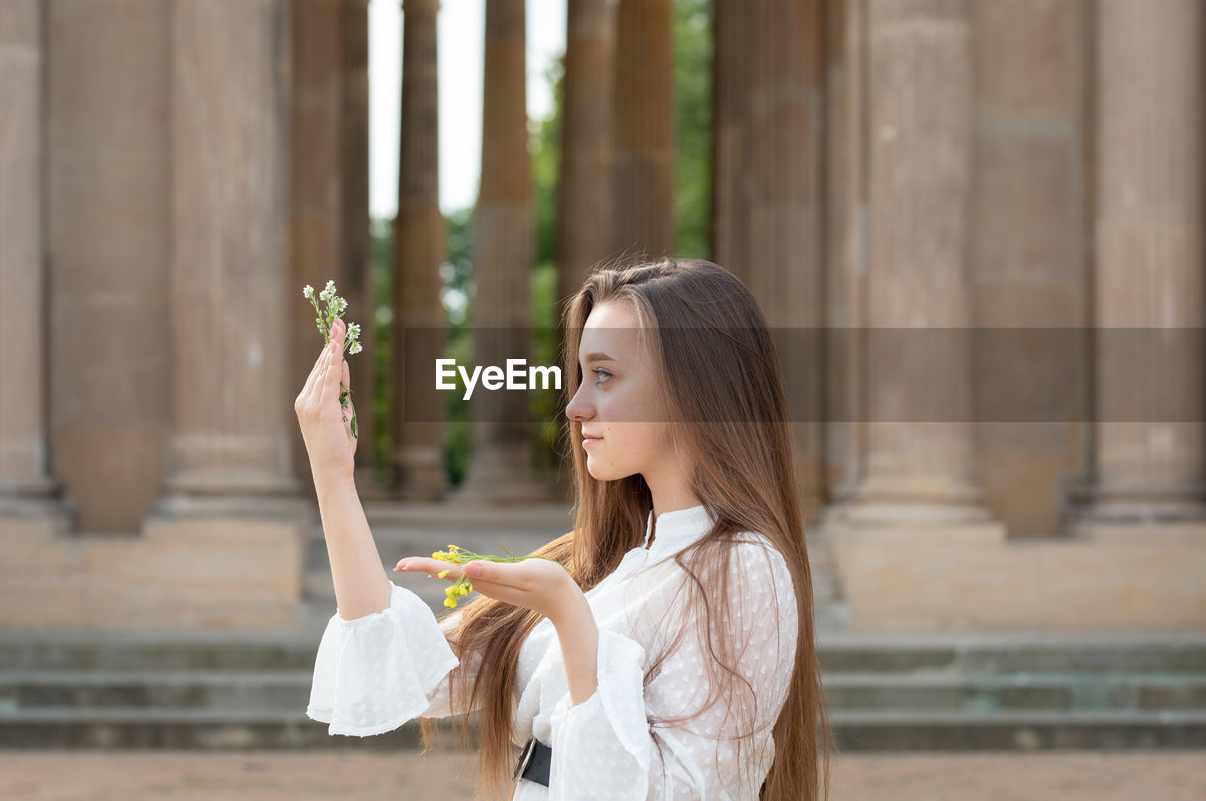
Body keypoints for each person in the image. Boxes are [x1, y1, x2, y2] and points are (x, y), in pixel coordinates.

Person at [295, 256, 835, 800]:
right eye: (580, 376)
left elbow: (684, 793)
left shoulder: (742, 565)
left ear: (692, 387)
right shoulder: (609, 560)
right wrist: (334, 475)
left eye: (604, 375)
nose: (575, 406)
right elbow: (414, 676)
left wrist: (568, 613)